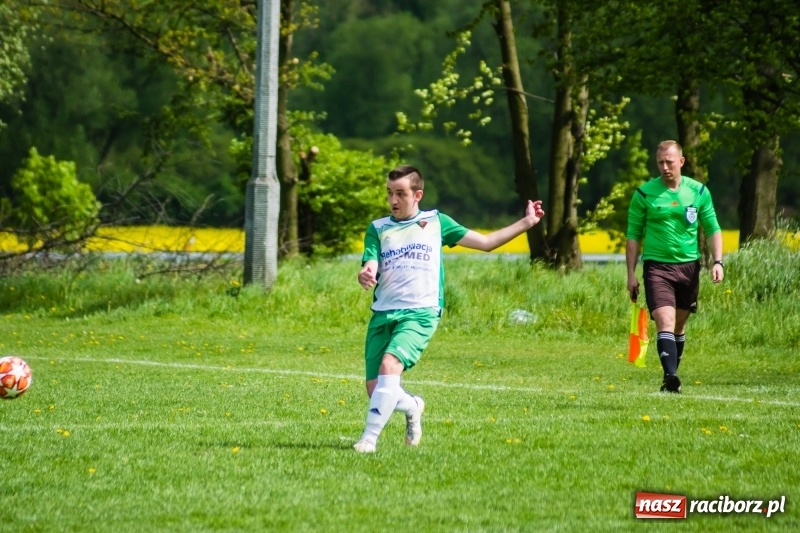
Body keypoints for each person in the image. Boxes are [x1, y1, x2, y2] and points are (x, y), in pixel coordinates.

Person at [353, 164, 545, 453]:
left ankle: (368, 440)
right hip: (383, 312)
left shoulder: (436, 222)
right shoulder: (378, 228)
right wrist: (366, 273)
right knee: (376, 390)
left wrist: (526, 223)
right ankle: (414, 406)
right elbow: (371, 263)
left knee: (389, 367)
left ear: (417, 195)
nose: (393, 200)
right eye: (390, 193)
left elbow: (485, 243)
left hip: (421, 312)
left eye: (401, 194)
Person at [625, 140, 724, 394]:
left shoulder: (698, 191)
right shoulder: (644, 193)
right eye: (660, 162)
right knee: (664, 321)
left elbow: (712, 228)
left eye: (669, 161)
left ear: (681, 161)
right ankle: (671, 376)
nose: (665, 167)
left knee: (679, 325)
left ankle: (670, 380)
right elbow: (633, 235)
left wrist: (718, 261)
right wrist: (631, 275)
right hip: (657, 267)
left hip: (688, 268)